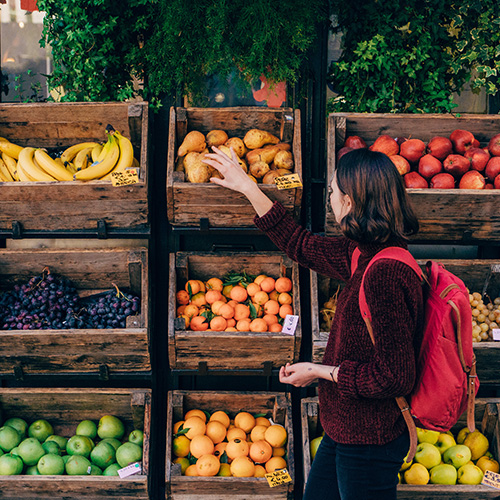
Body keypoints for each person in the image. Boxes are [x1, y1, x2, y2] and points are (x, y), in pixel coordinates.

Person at [204, 146, 424, 500]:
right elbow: (299, 244)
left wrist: (321, 371)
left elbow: (394, 376)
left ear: (350, 203)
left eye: (334, 193)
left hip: (369, 440)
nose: (330, 200)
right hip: (344, 429)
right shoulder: (362, 253)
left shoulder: (385, 273)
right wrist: (248, 187)